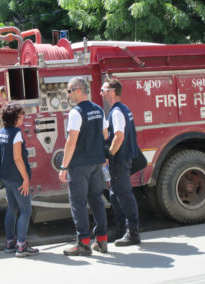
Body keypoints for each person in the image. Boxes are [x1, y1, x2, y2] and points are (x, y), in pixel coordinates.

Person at [59, 77, 109, 256]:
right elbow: (105, 135)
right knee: (96, 200)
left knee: (78, 203)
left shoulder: (76, 112)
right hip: (96, 164)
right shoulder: (98, 109)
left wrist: (64, 167)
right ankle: (102, 241)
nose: (68, 94)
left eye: (69, 91)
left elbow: (71, 141)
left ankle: (84, 243)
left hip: (79, 165)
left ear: (79, 90)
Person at [101, 78, 141, 246]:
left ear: (111, 91)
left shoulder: (117, 112)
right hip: (122, 159)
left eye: (103, 90)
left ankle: (132, 233)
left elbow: (119, 136)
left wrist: (109, 155)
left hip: (119, 160)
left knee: (124, 195)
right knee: (115, 195)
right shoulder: (122, 109)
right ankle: (120, 230)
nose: (101, 93)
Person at [0, 101, 39, 257]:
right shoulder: (16, 133)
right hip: (17, 178)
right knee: (26, 210)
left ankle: (10, 243)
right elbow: (17, 158)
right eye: (21, 114)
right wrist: (26, 179)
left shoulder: (2, 131)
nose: (24, 116)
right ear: (14, 116)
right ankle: (22, 246)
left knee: (12, 209)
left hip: (6, 177)